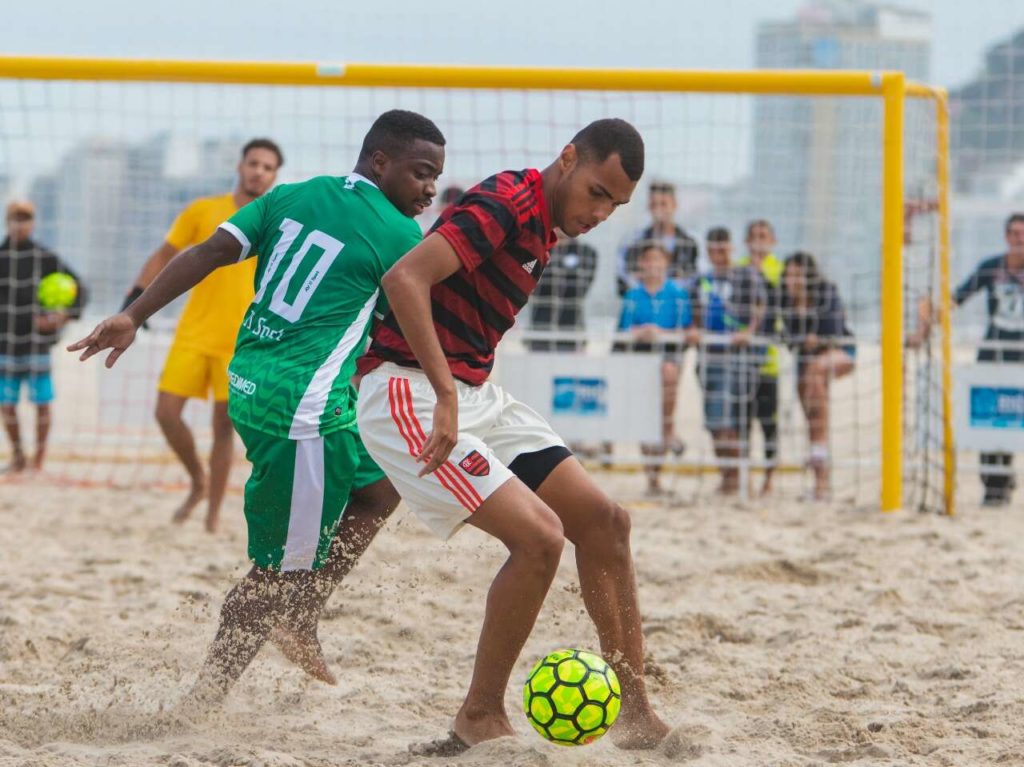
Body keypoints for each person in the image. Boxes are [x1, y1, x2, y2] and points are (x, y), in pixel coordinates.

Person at [69, 110, 446, 709]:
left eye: (436, 178)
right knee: (277, 570)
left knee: (380, 489)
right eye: (422, 173)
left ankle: (301, 615)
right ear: (380, 161)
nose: (430, 189)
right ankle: (206, 696)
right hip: (304, 410)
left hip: (250, 380)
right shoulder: (403, 240)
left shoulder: (292, 194)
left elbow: (209, 251)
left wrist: (134, 314)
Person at [356, 118, 669, 754]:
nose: (602, 212)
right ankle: (479, 714)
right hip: (406, 391)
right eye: (597, 192)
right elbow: (403, 279)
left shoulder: (546, 226)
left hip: (474, 396)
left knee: (607, 523)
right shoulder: (509, 200)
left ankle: (635, 712)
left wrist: (457, 391)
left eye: (616, 204)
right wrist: (444, 394)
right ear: (568, 158)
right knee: (541, 539)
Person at [122, 138, 283, 532]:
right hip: (194, 331)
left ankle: (211, 516)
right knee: (166, 413)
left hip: (244, 341)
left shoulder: (277, 220)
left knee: (223, 428)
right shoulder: (203, 210)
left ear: (275, 175)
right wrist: (135, 299)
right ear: (240, 166)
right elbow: (166, 254)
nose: (258, 171)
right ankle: (197, 480)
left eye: (267, 167)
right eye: (253, 163)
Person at [0, 200, 87, 473]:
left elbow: (80, 289)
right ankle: (17, 456)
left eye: (25, 219)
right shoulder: (1, 257)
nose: (20, 224)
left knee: (42, 404)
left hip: (37, 344)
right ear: (7, 222)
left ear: (33, 223)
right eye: (15, 218)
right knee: (7, 405)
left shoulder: (45, 257)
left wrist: (63, 316)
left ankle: (38, 461)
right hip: (5, 344)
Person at [950, 213, 1024, 506]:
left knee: (1014, 416)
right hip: (994, 350)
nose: (1020, 239)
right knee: (989, 416)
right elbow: (959, 296)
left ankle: (1004, 477)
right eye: (1015, 233)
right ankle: (994, 482)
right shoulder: (992, 268)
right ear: (1006, 237)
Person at [689, 227, 765, 495]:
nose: (718, 255)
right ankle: (728, 476)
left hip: (737, 358)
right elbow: (695, 313)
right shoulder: (701, 280)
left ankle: (739, 477)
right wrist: (695, 330)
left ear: (731, 249)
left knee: (734, 422)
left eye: (723, 249)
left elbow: (759, 307)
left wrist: (748, 331)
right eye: (713, 250)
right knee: (714, 422)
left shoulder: (746, 275)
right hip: (709, 357)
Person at [616, 241, 692, 495]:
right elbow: (623, 330)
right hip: (640, 356)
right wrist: (641, 332)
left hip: (669, 355)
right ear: (641, 264)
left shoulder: (677, 293)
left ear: (666, 264)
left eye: (658, 259)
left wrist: (660, 332)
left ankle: (669, 430)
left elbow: (685, 330)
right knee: (646, 417)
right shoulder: (632, 295)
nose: (652, 264)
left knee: (664, 400)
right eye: (648, 259)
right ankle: (652, 478)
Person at [780, 251, 855, 501]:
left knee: (815, 378)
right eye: (789, 274)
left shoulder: (825, 292)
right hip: (806, 359)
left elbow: (835, 330)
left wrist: (815, 340)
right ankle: (821, 484)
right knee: (813, 420)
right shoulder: (785, 300)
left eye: (798, 274)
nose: (794, 279)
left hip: (838, 351)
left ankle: (821, 471)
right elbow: (786, 337)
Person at [737, 219, 783, 495]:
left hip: (769, 359)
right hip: (742, 358)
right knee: (743, 422)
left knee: (769, 424)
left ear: (773, 241)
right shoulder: (740, 269)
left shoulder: (779, 270)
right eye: (754, 235)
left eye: (763, 236)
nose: (758, 240)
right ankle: (746, 477)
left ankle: (769, 478)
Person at [616, 180, 698, 295]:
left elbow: (696, 279)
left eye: (663, 204)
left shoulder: (690, 243)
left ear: (674, 205)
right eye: (654, 204)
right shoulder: (634, 242)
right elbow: (622, 278)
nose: (658, 210)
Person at [528, 231, 598, 353]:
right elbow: (529, 284)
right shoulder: (536, 250)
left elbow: (577, 290)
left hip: (572, 333)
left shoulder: (587, 252)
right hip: (539, 332)